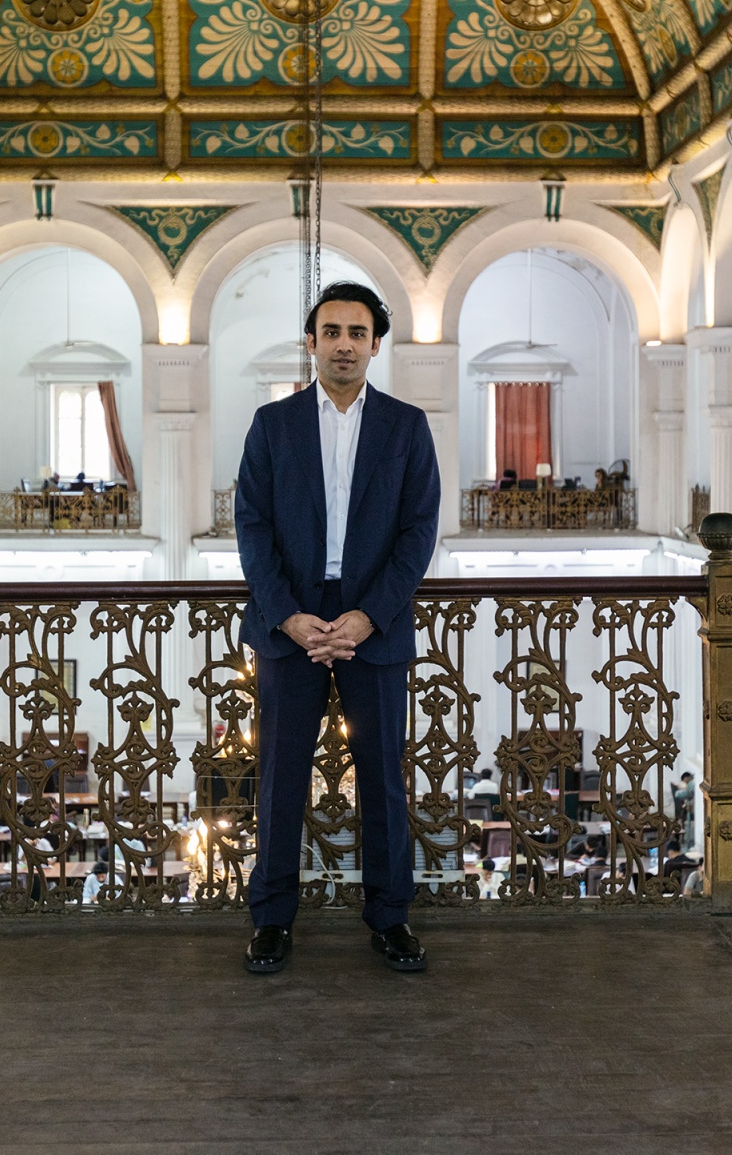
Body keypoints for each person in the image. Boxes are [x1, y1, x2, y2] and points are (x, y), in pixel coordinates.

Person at [235, 281, 442, 975]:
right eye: (332, 331)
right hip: (289, 620)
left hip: (372, 623)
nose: (344, 344)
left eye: (358, 332)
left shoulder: (407, 427)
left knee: (383, 780)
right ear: (312, 342)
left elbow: (418, 533)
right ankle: (271, 921)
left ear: (376, 344)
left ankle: (390, 919)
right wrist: (289, 617)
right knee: (279, 781)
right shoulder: (273, 426)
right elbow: (252, 527)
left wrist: (366, 615)